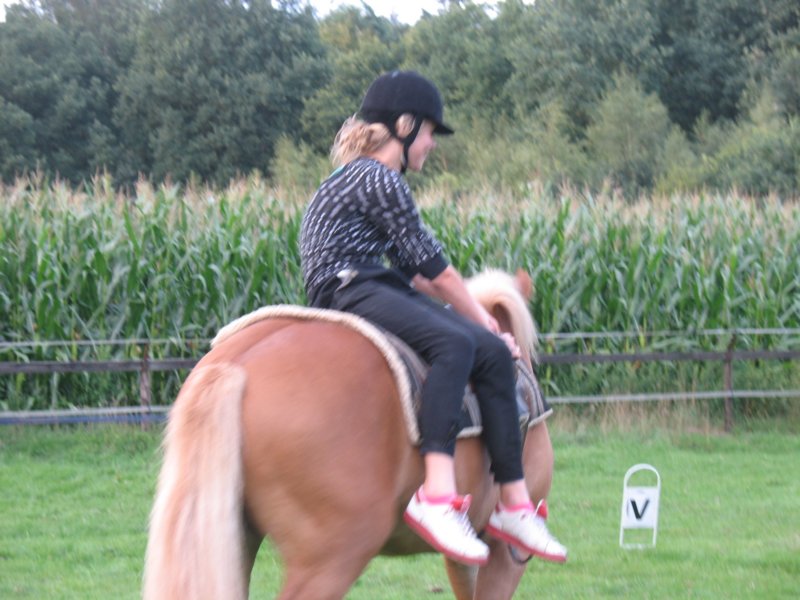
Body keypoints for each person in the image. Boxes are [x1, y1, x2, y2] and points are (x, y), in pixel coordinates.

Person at [300, 70, 566, 566]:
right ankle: (436, 495)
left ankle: (513, 502)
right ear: (403, 127)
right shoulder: (378, 178)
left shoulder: (366, 180)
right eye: (428, 132)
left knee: (490, 353)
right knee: (458, 344)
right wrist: (483, 320)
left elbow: (417, 274)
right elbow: (437, 273)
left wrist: (485, 331)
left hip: (373, 280)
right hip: (348, 286)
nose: (431, 144)